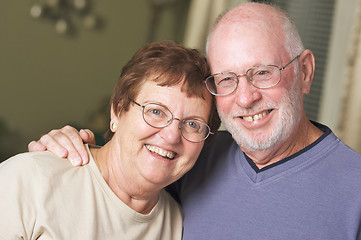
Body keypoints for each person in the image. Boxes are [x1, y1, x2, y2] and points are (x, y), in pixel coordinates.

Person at [28, 2, 361, 240]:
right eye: (226, 79)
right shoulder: (195, 156)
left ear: (304, 72)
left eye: (263, 73)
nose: (245, 98)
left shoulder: (354, 191)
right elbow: (123, 169)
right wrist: (65, 149)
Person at [0, 41, 220, 239]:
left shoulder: (179, 228)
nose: (172, 136)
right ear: (117, 110)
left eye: (193, 124)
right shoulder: (30, 180)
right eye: (156, 112)